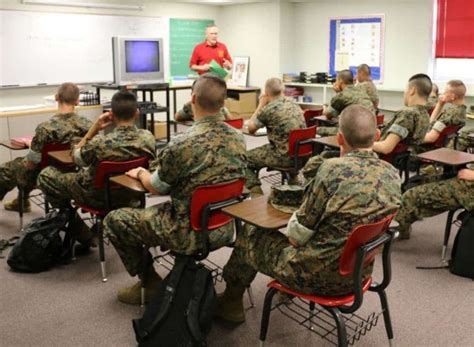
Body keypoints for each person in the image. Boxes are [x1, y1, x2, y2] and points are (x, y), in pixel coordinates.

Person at [216, 105, 401, 323]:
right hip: (358, 274)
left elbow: (296, 237)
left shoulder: (331, 170)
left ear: (340, 138)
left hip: (314, 276)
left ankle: (231, 303)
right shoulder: (393, 174)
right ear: (377, 135)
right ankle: (285, 291)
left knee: (250, 233)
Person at [103, 74, 247, 305]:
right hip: (224, 227)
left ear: (192, 99)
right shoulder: (238, 138)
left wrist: (141, 173)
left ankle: (149, 282)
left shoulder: (182, 142)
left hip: (186, 230)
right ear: (223, 104)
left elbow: (157, 187)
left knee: (114, 220)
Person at [38, 91, 156, 244]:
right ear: (137, 113)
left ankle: (79, 228)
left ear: (111, 115)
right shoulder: (148, 138)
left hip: (95, 197)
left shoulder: (99, 143)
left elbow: (75, 157)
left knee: (46, 175)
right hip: (131, 195)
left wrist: (94, 128)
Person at [0, 82, 91, 213]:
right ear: (77, 101)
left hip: (44, 173)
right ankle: (22, 200)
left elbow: (32, 164)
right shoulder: (88, 125)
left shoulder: (46, 128)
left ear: (56, 97)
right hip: (73, 171)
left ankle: (22, 200)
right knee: (23, 164)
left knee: (8, 169)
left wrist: (31, 146)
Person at [244, 78, 305, 194]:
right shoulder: (295, 105)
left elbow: (251, 128)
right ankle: (294, 180)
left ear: (266, 93)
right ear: (282, 90)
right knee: (287, 143)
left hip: (282, 158)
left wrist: (260, 105)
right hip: (301, 156)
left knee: (244, 159)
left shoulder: (268, 109)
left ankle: (257, 194)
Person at [394, 166, 474, 239]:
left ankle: (390, 235)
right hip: (464, 176)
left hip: (468, 189)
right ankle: (401, 229)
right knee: (418, 181)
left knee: (411, 196)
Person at [372, 74, 431, 155]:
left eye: (405, 90)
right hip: (408, 161)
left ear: (412, 90)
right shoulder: (425, 114)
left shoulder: (407, 114)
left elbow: (386, 147)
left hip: (384, 162)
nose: (404, 94)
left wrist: (360, 144)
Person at [318, 69, 375, 137]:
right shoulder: (361, 92)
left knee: (318, 130)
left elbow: (327, 115)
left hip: (354, 134)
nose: (335, 83)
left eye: (336, 80)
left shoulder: (342, 95)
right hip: (369, 131)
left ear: (340, 81)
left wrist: (324, 107)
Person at [422, 80, 467, 146]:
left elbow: (431, 137)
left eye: (445, 92)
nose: (442, 94)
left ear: (452, 96)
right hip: (439, 147)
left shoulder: (449, 115)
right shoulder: (462, 111)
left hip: (426, 148)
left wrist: (409, 139)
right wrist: (440, 104)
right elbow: (431, 123)